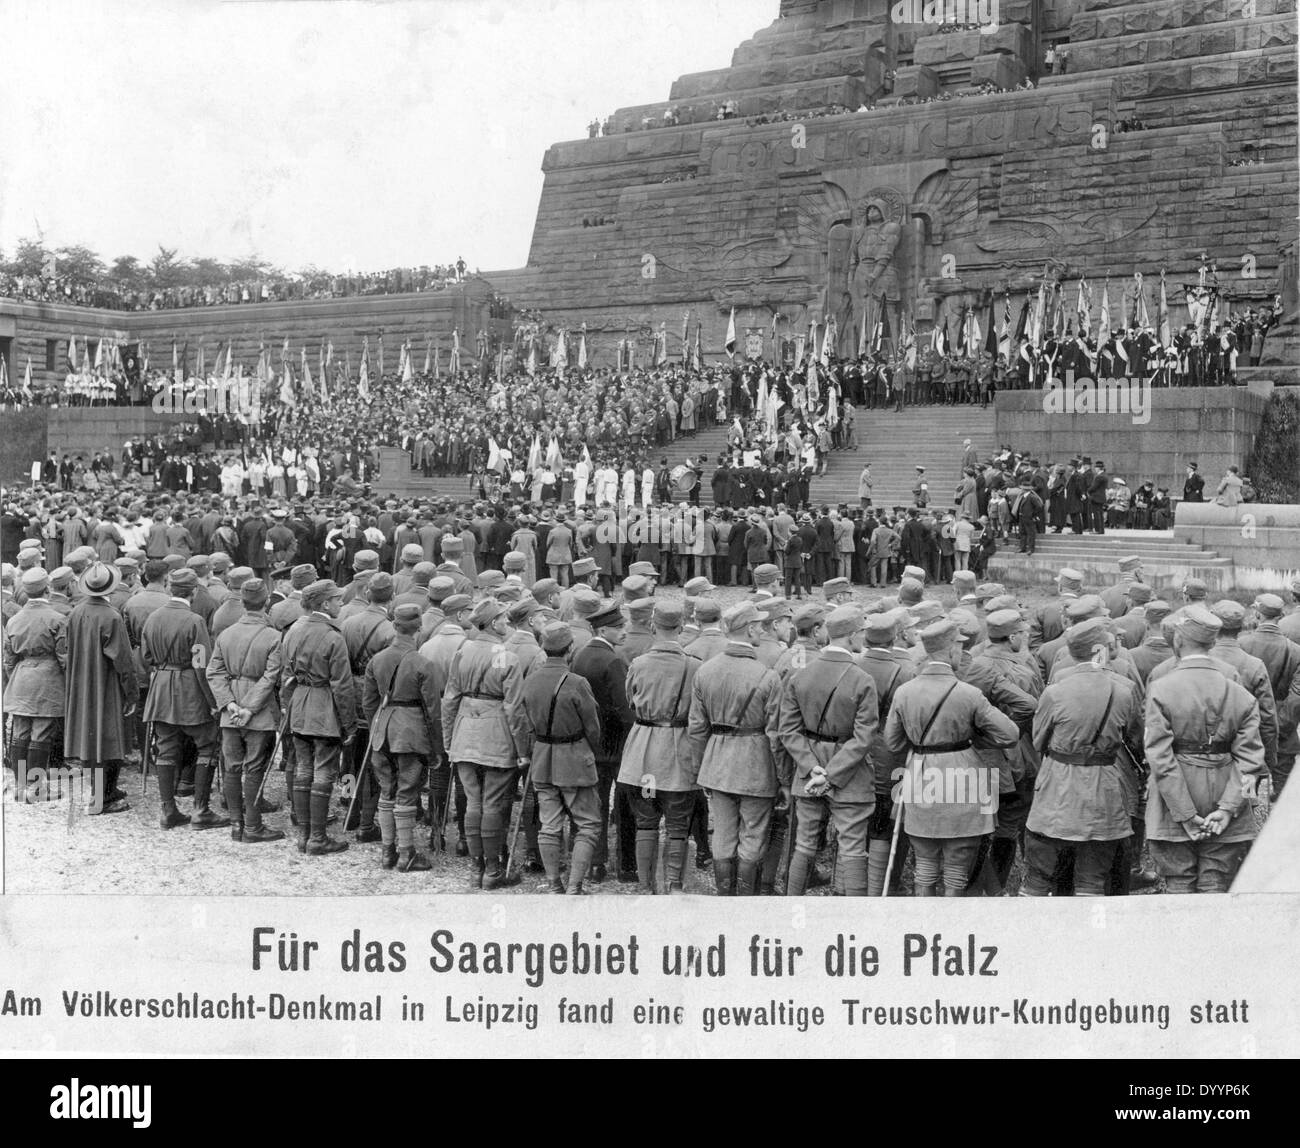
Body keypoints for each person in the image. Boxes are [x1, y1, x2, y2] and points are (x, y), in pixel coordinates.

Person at [882, 618, 1021, 896]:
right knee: (958, 865)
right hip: (963, 778)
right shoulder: (969, 694)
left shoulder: (904, 692)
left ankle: (926, 918)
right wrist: (974, 740)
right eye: (959, 647)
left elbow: (893, 743)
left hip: (920, 776)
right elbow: (1010, 734)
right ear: (951, 650)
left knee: (924, 863)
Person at [1144, 606, 1265, 892]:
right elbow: (1250, 762)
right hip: (1226, 791)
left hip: (1173, 798)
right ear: (1212, 642)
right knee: (1216, 884)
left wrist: (1184, 813)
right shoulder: (1241, 694)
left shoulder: (1161, 688)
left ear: (1178, 640)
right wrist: (1228, 808)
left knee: (1178, 884)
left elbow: (1159, 758)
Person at [1022, 619, 1144, 896]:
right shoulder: (1123, 691)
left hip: (1057, 784)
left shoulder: (1054, 692)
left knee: (1040, 873)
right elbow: (1134, 737)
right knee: (1093, 875)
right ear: (1100, 650)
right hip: (1104, 783)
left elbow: (1039, 740)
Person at [778, 605, 880, 897]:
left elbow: (788, 730)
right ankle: (853, 917)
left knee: (804, 843)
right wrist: (831, 775)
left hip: (808, 772)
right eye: (861, 632)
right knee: (853, 847)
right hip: (850, 773)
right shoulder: (862, 679)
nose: (864, 637)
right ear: (851, 635)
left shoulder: (801, 675)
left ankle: (794, 908)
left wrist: (812, 768)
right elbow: (864, 737)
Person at [690, 601, 788, 896]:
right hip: (756, 766)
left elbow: (697, 729)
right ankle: (746, 900)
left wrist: (701, 770)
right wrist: (783, 779)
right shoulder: (768, 676)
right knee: (753, 835)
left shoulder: (705, 672)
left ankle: (725, 897)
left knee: (723, 833)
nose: (763, 630)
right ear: (751, 629)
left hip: (717, 764)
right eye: (759, 625)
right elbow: (776, 735)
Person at [441, 598, 528, 889]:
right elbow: (514, 709)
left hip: (465, 734)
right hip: (496, 736)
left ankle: (476, 868)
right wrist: (522, 750)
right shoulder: (506, 657)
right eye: (503, 618)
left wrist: (449, 740)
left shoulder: (462, 651)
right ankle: (493, 870)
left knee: (473, 803)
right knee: (492, 804)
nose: (507, 622)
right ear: (492, 623)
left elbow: (449, 700)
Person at [618, 602, 701, 893]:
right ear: (681, 627)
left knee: (646, 820)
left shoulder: (639, 664)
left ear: (654, 626)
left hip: (643, 753)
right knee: (678, 822)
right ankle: (674, 885)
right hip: (678, 752)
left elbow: (631, 701)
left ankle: (645, 886)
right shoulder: (694, 666)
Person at [517, 621, 603, 894]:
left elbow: (523, 722)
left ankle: (554, 884)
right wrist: (592, 752)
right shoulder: (577, 683)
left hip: (542, 759)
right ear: (570, 648)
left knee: (549, 825)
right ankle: (574, 887)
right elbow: (593, 727)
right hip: (574, 759)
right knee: (588, 824)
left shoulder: (530, 681)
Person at [141, 567, 226, 831]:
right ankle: (201, 811)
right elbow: (201, 664)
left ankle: (168, 811)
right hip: (190, 690)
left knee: (165, 747)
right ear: (194, 591)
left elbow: (146, 657)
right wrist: (213, 702)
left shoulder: (153, 618)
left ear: (170, 588)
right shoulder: (194, 621)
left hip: (161, 688)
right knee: (207, 746)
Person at [205, 577, 286, 843]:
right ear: (266, 602)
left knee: (231, 768)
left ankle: (236, 825)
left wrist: (229, 703)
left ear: (242, 602)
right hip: (259, 712)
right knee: (254, 768)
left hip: (230, 712)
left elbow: (213, 672)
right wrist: (249, 709)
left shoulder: (226, 634)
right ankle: (253, 826)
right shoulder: (274, 637)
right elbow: (271, 677)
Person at [362, 604, 440, 873]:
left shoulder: (376, 660)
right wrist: (436, 748)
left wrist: (377, 727)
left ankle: (387, 852)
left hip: (381, 731)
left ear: (395, 626)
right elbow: (433, 711)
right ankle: (407, 854)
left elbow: (369, 703)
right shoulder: (423, 663)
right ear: (419, 628)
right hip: (411, 733)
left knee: (387, 790)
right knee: (407, 790)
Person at [281, 579, 356, 856]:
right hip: (324, 708)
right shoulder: (333, 637)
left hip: (299, 705)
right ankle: (318, 838)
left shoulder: (294, 631)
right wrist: (349, 724)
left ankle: (304, 836)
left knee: (303, 768)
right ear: (325, 604)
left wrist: (287, 707)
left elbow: (285, 676)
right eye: (337, 599)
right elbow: (342, 686)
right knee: (324, 770)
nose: (341, 603)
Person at [571, 599, 639, 883]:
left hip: (590, 743)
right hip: (616, 745)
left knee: (594, 805)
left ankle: (596, 864)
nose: (624, 631)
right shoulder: (613, 661)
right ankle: (626, 866)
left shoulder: (580, 656)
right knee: (624, 806)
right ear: (603, 630)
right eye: (618, 627)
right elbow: (625, 710)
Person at [3, 568, 72, 804]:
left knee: (19, 733)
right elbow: (64, 658)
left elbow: (8, 659)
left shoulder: (14, 619)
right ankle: (35, 788)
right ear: (47, 589)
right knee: (41, 733)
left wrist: (18, 676)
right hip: (48, 678)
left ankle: (20, 786)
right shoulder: (57, 619)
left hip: (21, 677)